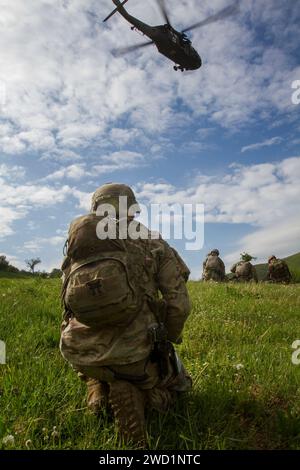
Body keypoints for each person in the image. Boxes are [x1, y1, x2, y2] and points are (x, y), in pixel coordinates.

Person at [59, 183, 192, 447]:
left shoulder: (79, 244)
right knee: (180, 385)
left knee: (99, 360)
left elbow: (66, 307)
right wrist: (169, 338)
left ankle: (96, 385)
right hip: (136, 353)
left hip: (80, 352)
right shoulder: (153, 241)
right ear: (132, 209)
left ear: (95, 208)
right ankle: (150, 397)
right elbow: (179, 305)